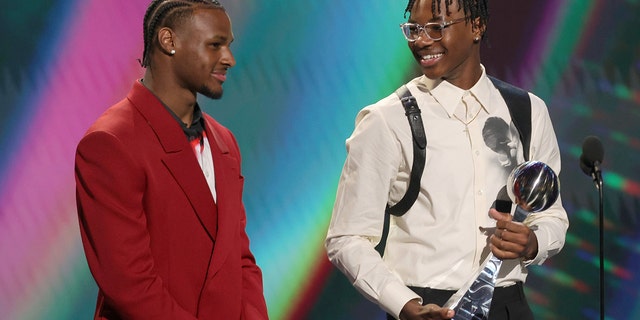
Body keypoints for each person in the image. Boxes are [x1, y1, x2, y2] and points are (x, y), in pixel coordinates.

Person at [325, 0, 569, 319]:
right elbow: (347, 237)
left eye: (437, 27)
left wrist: (532, 243)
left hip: (508, 305)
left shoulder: (527, 112)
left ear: (477, 26)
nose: (422, 40)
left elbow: (552, 216)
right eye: (414, 29)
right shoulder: (387, 120)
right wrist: (404, 304)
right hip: (427, 306)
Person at [74, 1, 268, 319]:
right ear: (169, 41)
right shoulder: (110, 143)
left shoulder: (225, 143)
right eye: (215, 45)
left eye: (228, 46)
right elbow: (130, 286)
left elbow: (240, 259)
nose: (229, 59)